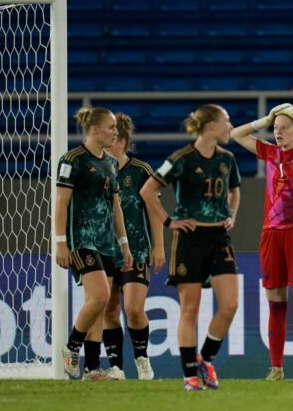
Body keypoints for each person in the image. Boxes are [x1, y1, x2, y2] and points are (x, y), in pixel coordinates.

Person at [140, 104, 241, 391]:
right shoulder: (182, 158)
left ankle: (205, 358)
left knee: (231, 304)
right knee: (190, 310)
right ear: (211, 125)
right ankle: (189, 374)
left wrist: (232, 215)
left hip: (219, 237)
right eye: (226, 121)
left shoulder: (227, 159)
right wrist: (169, 220)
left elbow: (235, 191)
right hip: (190, 238)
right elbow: (147, 190)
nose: (229, 126)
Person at [230, 102, 293, 381]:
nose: (278, 132)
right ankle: (276, 369)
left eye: (285, 127)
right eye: (276, 128)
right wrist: (265, 118)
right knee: (275, 300)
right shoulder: (270, 153)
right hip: (271, 232)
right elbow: (236, 134)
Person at [55, 107, 133, 380]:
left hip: (106, 242)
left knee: (99, 304)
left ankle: (91, 368)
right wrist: (61, 242)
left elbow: (116, 207)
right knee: (99, 296)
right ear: (95, 129)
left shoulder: (111, 163)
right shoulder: (72, 159)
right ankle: (71, 347)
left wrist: (123, 243)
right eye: (111, 127)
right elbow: (62, 203)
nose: (116, 132)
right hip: (81, 239)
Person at [101, 112, 164, 380]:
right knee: (109, 308)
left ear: (123, 142)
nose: (108, 143)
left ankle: (142, 359)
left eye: (113, 139)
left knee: (134, 308)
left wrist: (159, 246)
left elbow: (154, 210)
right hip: (105, 250)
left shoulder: (141, 171)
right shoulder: (97, 170)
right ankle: (116, 366)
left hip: (136, 249)